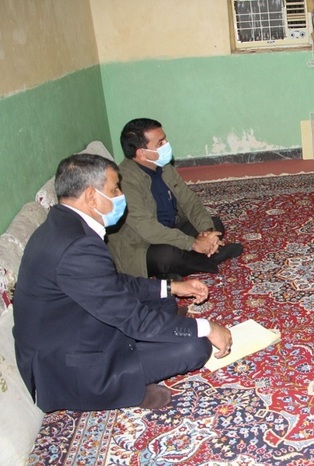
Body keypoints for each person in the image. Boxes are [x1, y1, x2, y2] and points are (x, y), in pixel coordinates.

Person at [13, 153, 233, 412]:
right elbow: (133, 319)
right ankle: (125, 389)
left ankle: (143, 357)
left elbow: (112, 282)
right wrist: (206, 327)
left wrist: (172, 287)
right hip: (74, 368)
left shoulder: (65, 224)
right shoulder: (77, 247)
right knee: (195, 346)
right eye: (114, 189)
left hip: (80, 327)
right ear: (91, 196)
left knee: (164, 300)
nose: (120, 195)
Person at [107, 118, 242, 279]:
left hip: (170, 228)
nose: (166, 144)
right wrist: (194, 244)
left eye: (165, 139)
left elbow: (190, 201)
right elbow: (148, 229)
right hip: (141, 243)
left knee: (214, 224)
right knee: (167, 256)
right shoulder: (124, 181)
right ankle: (212, 258)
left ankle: (173, 270)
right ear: (141, 153)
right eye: (160, 143)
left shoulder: (163, 167)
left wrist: (207, 234)